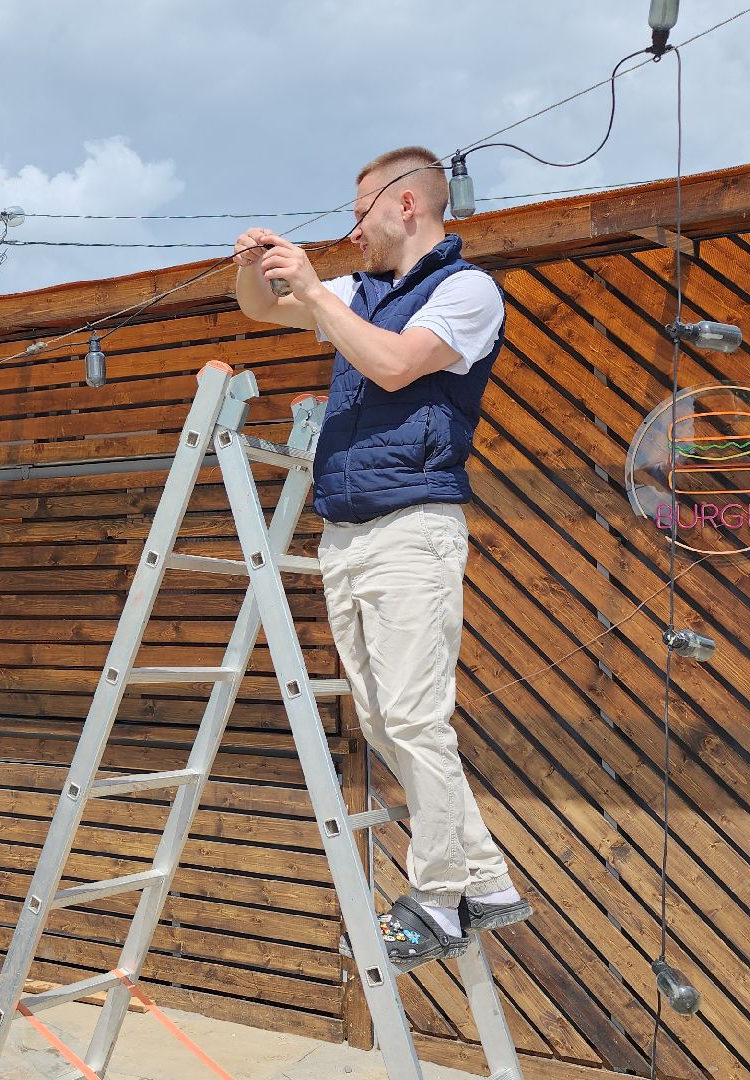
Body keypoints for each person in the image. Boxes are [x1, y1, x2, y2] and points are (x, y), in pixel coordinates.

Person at [233, 146, 530, 972]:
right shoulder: (357, 297)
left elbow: (396, 366)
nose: (349, 228)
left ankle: (438, 900)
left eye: (359, 209)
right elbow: (261, 310)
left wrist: (319, 296)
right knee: (383, 719)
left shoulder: (467, 292)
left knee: (413, 717)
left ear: (405, 205)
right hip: (348, 530)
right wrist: (261, 267)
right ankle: (492, 883)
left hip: (413, 528)